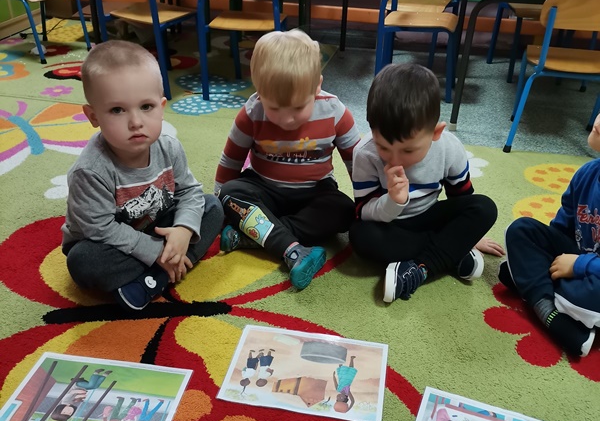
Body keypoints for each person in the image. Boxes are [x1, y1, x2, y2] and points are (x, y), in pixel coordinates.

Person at [61, 40, 224, 311]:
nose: (136, 122)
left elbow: (189, 192)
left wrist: (183, 230)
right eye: (117, 110)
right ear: (93, 116)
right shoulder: (89, 171)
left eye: (146, 107)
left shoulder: (169, 147)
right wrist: (155, 251)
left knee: (213, 207)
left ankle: (157, 277)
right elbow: (100, 229)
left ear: (161, 106)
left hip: (155, 225)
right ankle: (172, 263)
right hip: (107, 242)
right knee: (82, 262)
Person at [215, 29, 360, 290]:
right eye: (274, 108)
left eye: (298, 107)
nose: (287, 119)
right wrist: (222, 205)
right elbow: (231, 161)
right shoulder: (252, 112)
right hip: (264, 188)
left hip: (315, 192)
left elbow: (357, 165)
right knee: (230, 193)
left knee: (345, 210)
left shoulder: (336, 112)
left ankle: (255, 235)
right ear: (259, 91)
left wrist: (366, 203)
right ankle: (294, 250)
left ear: (317, 86)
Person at [349, 63, 502, 302]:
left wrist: (471, 235)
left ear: (436, 133)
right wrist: (393, 202)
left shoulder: (449, 148)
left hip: (430, 216)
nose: (395, 159)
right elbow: (363, 212)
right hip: (392, 226)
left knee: (485, 207)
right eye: (384, 148)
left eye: (408, 150)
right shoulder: (365, 153)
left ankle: (423, 265)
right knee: (360, 236)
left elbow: (462, 197)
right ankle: (449, 253)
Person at [499, 113, 600, 358]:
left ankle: (535, 291)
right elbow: (559, 230)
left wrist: (579, 265)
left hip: (591, 276)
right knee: (521, 230)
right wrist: (551, 256)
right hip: (575, 261)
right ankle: (550, 307)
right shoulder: (587, 173)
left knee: (517, 271)